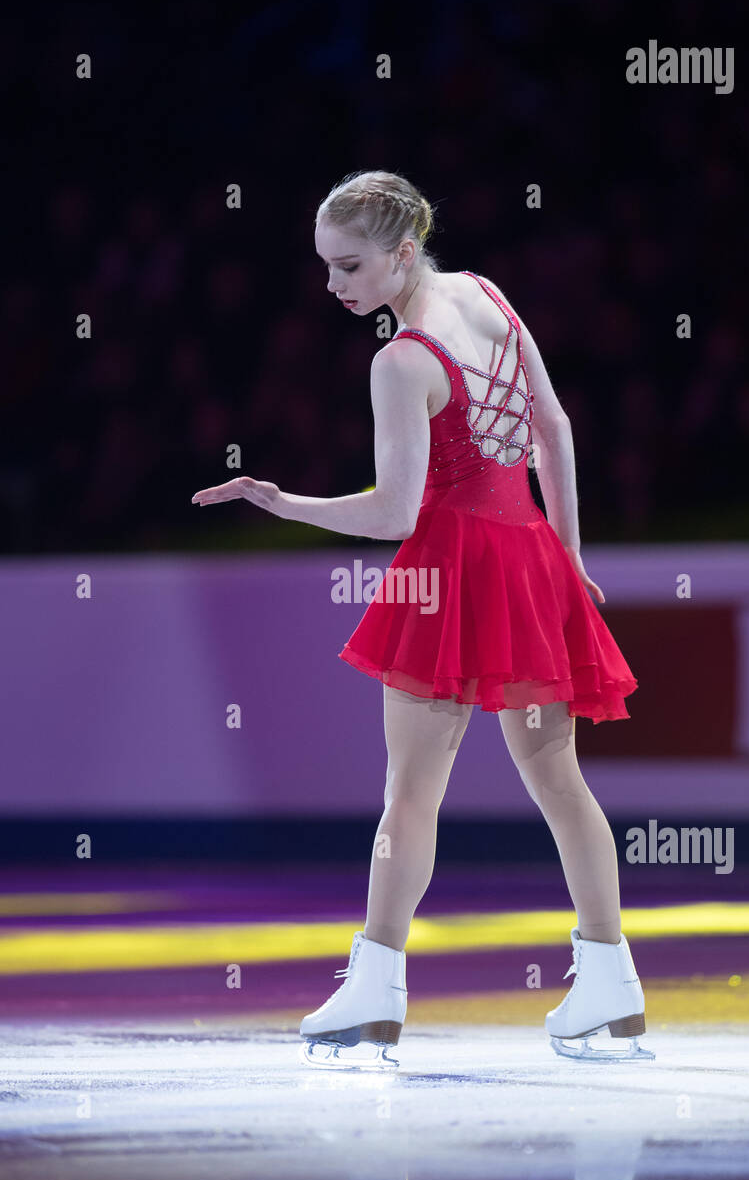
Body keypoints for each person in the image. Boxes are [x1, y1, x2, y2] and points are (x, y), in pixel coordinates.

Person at [192, 169, 651, 1067]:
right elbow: (553, 428)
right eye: (326, 267)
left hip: (445, 576)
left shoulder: (399, 360)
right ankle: (613, 986)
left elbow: (394, 515)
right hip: (527, 559)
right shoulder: (486, 294)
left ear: (403, 252)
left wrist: (283, 503)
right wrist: (569, 557)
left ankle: (376, 988)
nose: (335, 286)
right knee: (558, 782)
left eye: (351, 266)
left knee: (411, 792)